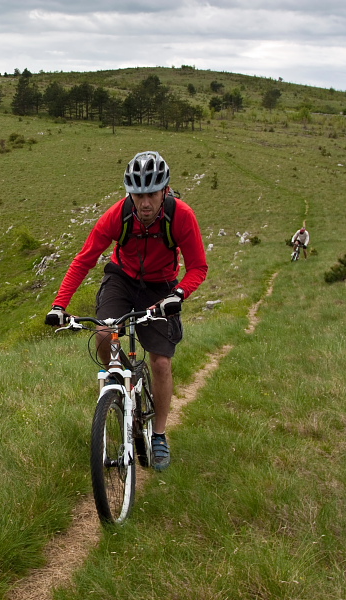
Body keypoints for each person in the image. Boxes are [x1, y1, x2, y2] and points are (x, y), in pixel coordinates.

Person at [45, 151, 208, 471]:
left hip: (161, 286)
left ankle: (158, 435)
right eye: (137, 195)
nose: (144, 203)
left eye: (151, 194)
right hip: (121, 278)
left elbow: (198, 267)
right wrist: (59, 305)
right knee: (104, 332)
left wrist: (178, 294)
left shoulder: (181, 216)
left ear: (165, 191)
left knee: (161, 362)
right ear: (129, 193)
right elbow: (84, 260)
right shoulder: (117, 216)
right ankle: (118, 387)